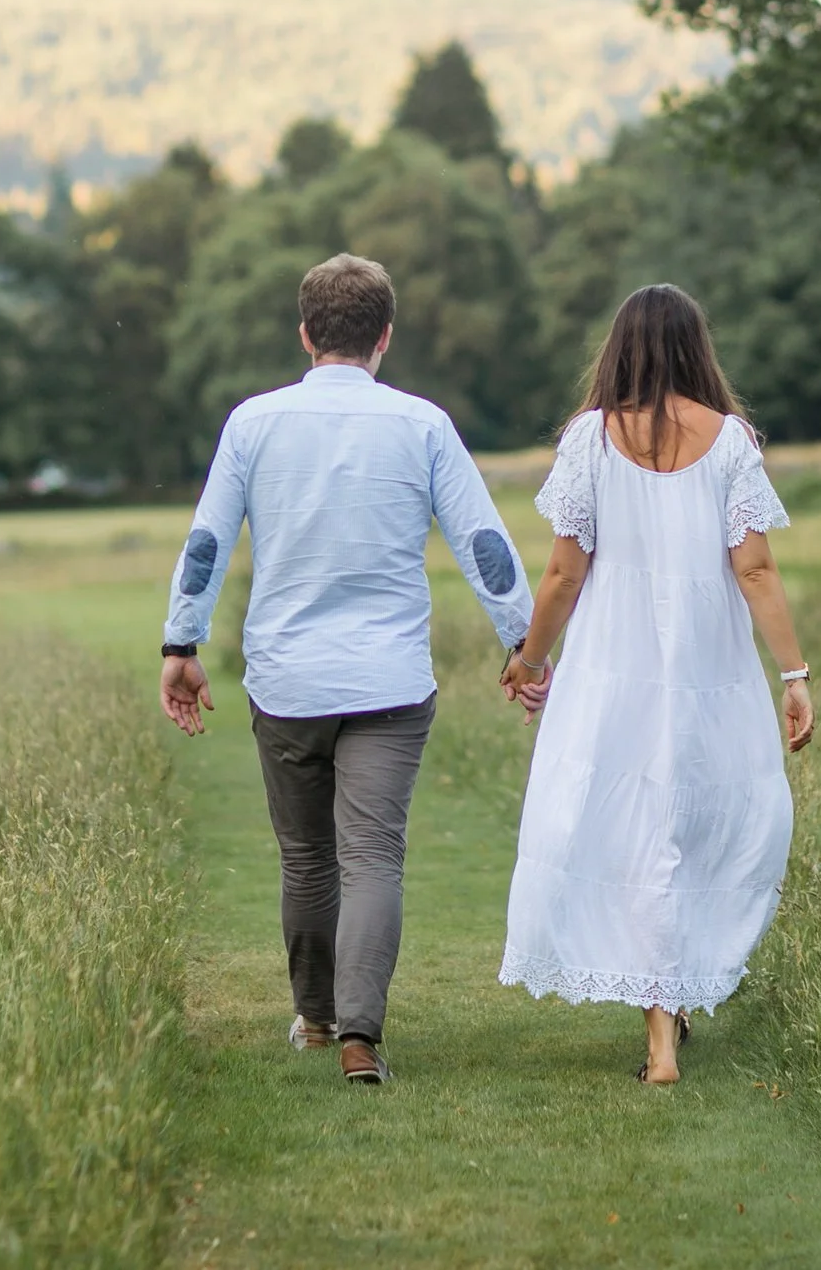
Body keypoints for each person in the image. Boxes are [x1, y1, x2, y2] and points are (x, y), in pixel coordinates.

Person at [162, 253, 533, 1086]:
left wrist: (179, 645)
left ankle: (318, 1018)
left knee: (306, 858)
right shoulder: (423, 424)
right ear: (385, 339)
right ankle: (363, 1037)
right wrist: (523, 641)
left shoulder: (252, 423)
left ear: (305, 333)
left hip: (287, 680)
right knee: (374, 857)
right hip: (390, 682)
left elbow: (207, 542)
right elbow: (483, 542)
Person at [498, 283, 814, 1084]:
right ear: (696, 348)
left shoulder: (588, 442)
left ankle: (661, 1040)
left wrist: (531, 659)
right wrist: (794, 672)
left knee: (634, 827)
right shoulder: (733, 441)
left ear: (618, 349)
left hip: (614, 669)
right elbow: (755, 567)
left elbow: (566, 571)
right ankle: (668, 1014)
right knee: (693, 824)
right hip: (709, 670)